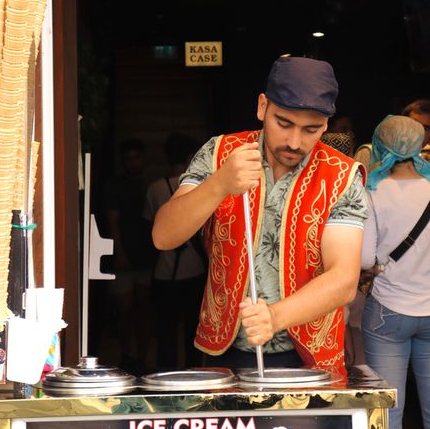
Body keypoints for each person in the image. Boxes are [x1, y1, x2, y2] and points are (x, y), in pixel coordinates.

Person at [152, 56, 368, 371]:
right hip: (225, 351)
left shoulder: (342, 176)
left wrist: (275, 316)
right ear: (262, 107)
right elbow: (163, 236)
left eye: (311, 129)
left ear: (325, 125)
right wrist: (219, 185)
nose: (295, 142)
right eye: (284, 123)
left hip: (309, 357)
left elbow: (344, 279)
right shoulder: (219, 154)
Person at [360, 115, 430, 429]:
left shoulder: (372, 191)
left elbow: (364, 257)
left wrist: (377, 266)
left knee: (389, 402)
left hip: (388, 310)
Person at [144, 133, 207, 370]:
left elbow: (150, 224)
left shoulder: (155, 188)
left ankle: (166, 374)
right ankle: (193, 374)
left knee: (165, 329)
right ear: (191, 157)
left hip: (164, 270)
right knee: (193, 330)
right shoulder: (201, 187)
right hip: (194, 268)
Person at [104, 138, 155, 373]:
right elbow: (112, 221)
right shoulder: (116, 186)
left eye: (136, 157)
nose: (133, 162)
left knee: (143, 309)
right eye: (128, 158)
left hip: (146, 255)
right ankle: (128, 354)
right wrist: (119, 252)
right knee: (125, 310)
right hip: (123, 258)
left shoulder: (149, 186)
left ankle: (142, 357)